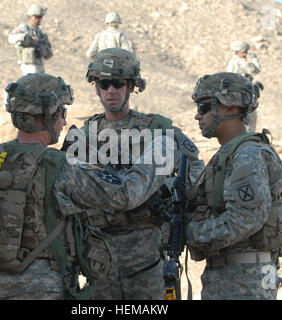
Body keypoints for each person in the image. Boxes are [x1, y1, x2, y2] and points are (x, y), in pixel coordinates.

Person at [0, 73, 174, 300]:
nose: (64, 121)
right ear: (45, 116)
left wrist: (1, 244)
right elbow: (126, 194)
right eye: (61, 112)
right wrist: (160, 150)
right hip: (44, 288)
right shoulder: (61, 168)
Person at [63, 48, 204, 299]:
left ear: (131, 86)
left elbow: (195, 171)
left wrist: (167, 188)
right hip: (100, 257)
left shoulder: (157, 129)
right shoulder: (83, 137)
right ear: (95, 87)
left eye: (118, 84)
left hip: (148, 257)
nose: (110, 91)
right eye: (104, 83)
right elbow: (66, 189)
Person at [185, 72, 282, 300]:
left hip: (243, 282)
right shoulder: (233, 154)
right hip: (234, 277)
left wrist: (191, 233)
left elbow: (245, 218)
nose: (197, 116)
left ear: (231, 108)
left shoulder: (247, 157)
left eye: (204, 108)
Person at [227, 40, 262, 132]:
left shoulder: (233, 62)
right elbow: (254, 70)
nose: (246, 54)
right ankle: (246, 139)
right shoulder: (240, 62)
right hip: (242, 94)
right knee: (248, 117)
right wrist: (255, 60)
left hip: (240, 94)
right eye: (244, 52)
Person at [8, 5, 53, 75]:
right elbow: (11, 38)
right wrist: (24, 37)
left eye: (41, 17)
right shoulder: (24, 28)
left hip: (40, 63)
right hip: (29, 64)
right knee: (33, 83)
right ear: (32, 17)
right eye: (38, 17)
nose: (40, 19)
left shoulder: (39, 31)